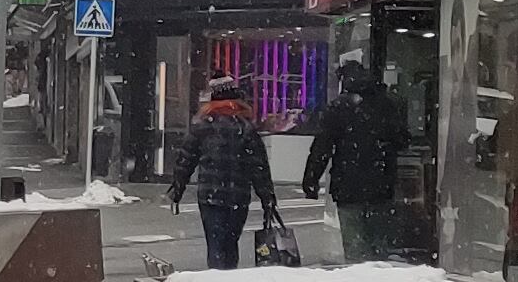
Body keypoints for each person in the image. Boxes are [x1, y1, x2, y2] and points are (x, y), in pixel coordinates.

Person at [301, 57, 420, 262]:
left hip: (347, 185)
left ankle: (360, 280)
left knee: (355, 245)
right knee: (378, 243)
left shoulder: (339, 107)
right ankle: (378, 276)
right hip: (380, 184)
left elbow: (322, 146)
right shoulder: (387, 104)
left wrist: (311, 179)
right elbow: (402, 139)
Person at [168, 75, 273, 269]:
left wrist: (178, 189)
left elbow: (186, 160)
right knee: (230, 243)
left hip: (210, 196)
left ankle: (216, 276)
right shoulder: (245, 128)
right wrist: (267, 196)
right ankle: (228, 276)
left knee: (215, 244)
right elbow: (258, 166)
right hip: (238, 196)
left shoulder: (203, 127)